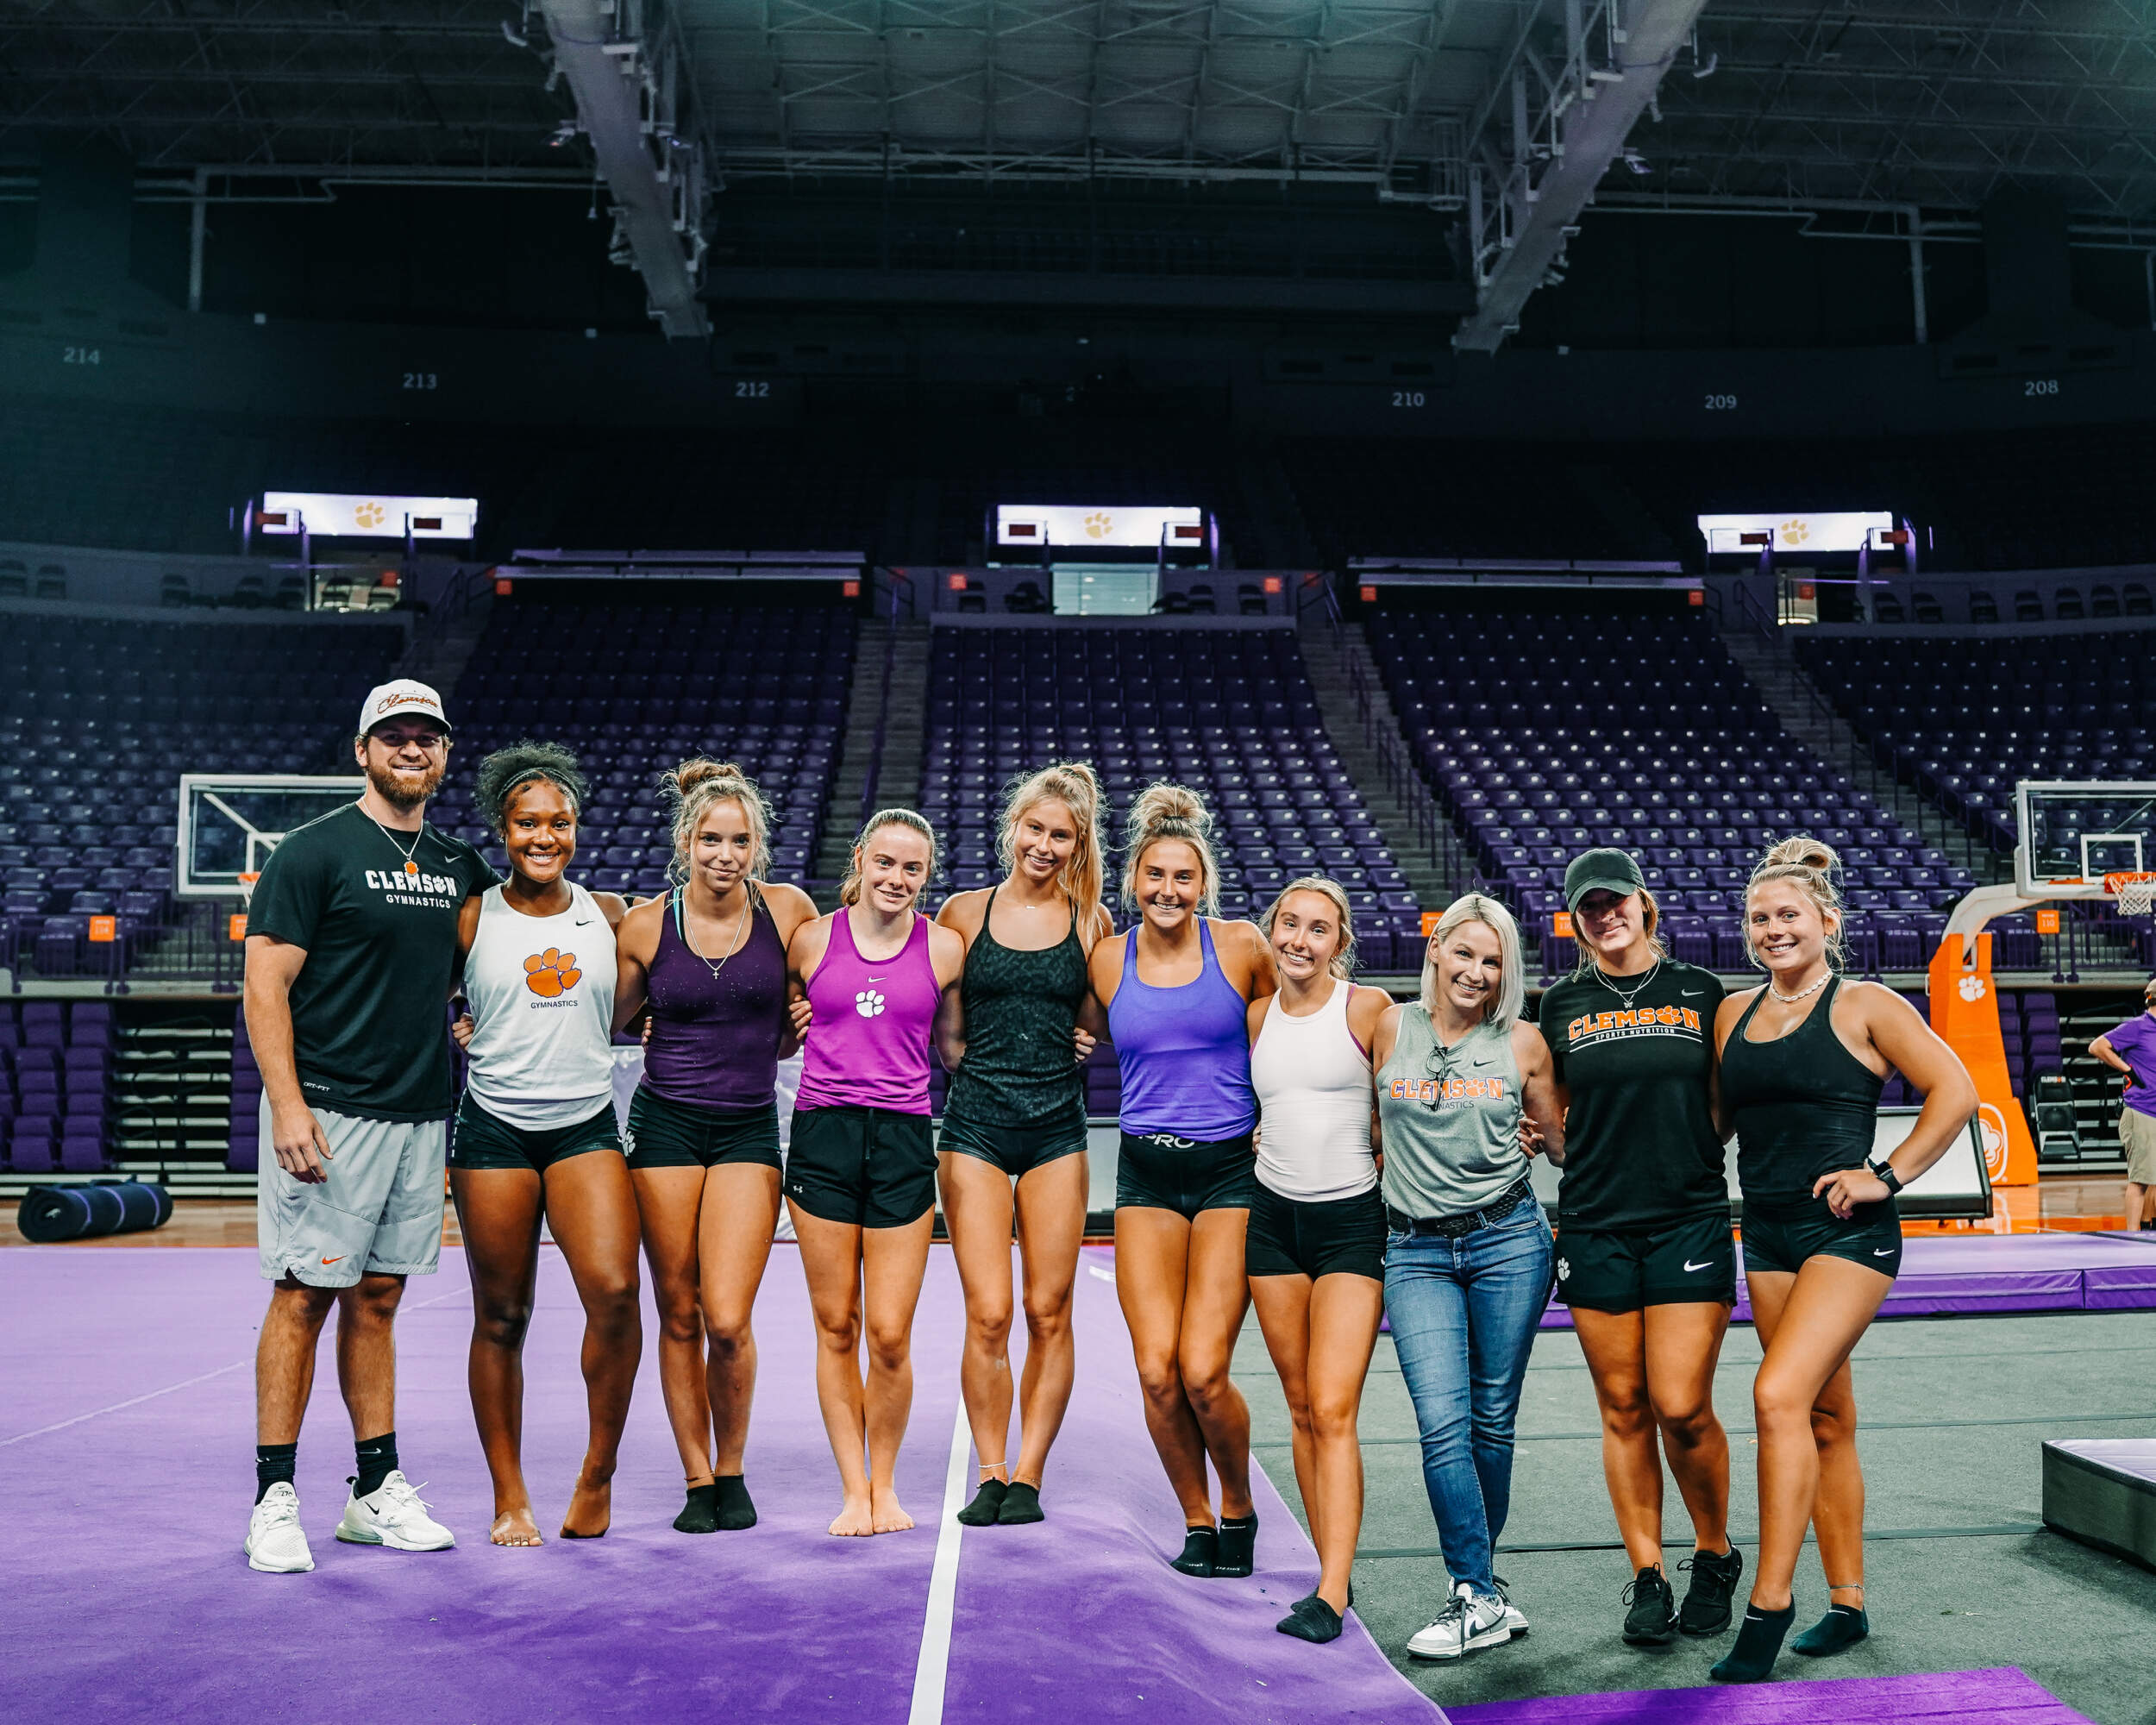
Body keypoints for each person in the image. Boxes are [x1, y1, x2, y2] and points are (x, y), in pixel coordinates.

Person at [241, 679, 496, 1574]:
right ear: (363, 750)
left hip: (420, 1110)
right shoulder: (313, 852)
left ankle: (373, 1491)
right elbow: (265, 985)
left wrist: (472, 1012)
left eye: (427, 736)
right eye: (395, 736)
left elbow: (492, 963)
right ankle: (274, 1498)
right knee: (302, 1294)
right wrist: (287, 1103)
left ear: (445, 752)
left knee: (380, 1299)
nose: (411, 749)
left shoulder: (460, 865)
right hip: (329, 1110)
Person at [1710, 837, 1977, 1683]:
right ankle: (1849, 1601)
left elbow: (1956, 1090)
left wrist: (1886, 1175)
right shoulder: (1732, 1014)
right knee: (1824, 1415)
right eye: (1759, 917)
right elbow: (1709, 1126)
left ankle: (1770, 1603)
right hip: (1769, 1233)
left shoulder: (1866, 1003)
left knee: (1775, 1395)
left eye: (1789, 914)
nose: (1773, 929)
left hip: (1848, 1233)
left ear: (1827, 921)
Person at [1537, 848, 1743, 1645]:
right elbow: (1556, 1118)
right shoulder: (1562, 1003)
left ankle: (1715, 1553)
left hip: (1687, 1216)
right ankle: (1649, 1573)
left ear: (1643, 903)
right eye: (1589, 907)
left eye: (1615, 900)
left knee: (1681, 1405)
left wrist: (1681, 1153)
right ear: (1575, 921)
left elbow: (1723, 1104)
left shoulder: (1702, 991)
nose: (1605, 915)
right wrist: (1549, 1142)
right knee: (1624, 1407)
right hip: (1596, 1220)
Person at [613, 760, 819, 1534]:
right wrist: (473, 1020)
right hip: (665, 1125)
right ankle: (698, 1478)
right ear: (685, 842)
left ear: (756, 846)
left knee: (727, 1318)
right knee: (679, 1312)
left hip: (746, 1126)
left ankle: (733, 1467)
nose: (725, 855)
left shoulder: (788, 910)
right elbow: (609, 1018)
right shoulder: (645, 925)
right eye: (710, 840)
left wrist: (803, 1018)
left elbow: (819, 995)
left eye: (739, 841)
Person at [445, 742, 641, 1546]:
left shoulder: (611, 914)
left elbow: (653, 994)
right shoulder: (471, 917)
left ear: (577, 827)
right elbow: (415, 994)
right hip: (494, 1129)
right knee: (502, 1315)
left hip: (584, 1125)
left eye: (559, 822)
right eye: (528, 822)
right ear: (503, 829)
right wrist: (461, 1024)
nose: (544, 837)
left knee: (616, 1293)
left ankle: (598, 1473)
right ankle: (511, 1496)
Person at [1090, 783, 1277, 1579]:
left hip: (1230, 1172)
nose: (1167, 890)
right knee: (1156, 1372)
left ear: (1204, 884)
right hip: (1146, 1174)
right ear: (1133, 880)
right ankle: (1197, 1519)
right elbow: (1075, 1029)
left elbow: (1294, 1029)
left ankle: (1239, 1504)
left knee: (1203, 1370)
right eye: (1154, 876)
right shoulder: (1107, 959)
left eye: (1183, 877)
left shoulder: (1241, 948)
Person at [1378, 894, 1564, 1662]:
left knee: (1491, 1419)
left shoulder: (1522, 1042)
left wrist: (1547, 1136)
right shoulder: (1386, 1025)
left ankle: (1476, 1593)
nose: (1477, 972)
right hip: (1414, 1249)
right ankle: (1480, 1593)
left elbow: (1562, 1144)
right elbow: (1359, 1116)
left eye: (1493, 961)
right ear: (1436, 949)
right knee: (1442, 1421)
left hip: (1509, 1242)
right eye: (1465, 953)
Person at [935, 764, 1112, 1528]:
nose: (1044, 844)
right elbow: (946, 1037)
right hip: (975, 1125)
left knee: (1048, 1309)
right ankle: (991, 1469)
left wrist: (1084, 1038)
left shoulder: (1091, 922)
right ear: (1013, 827)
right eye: (1034, 828)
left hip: (1055, 1130)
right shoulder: (962, 912)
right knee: (989, 1312)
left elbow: (1096, 1018)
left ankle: (1029, 1473)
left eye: (1060, 835)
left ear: (1079, 845)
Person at [786, 808, 965, 1535]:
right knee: (837, 1325)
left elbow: (955, 1050)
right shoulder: (810, 940)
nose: (896, 878)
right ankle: (853, 1488)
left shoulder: (945, 949)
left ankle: (885, 1486)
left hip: (902, 1140)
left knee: (889, 1333)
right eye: (885, 862)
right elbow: (772, 1030)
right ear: (860, 859)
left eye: (912, 868)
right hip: (822, 1136)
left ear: (927, 875)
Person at [1244, 877, 1389, 1643]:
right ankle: (1329, 1566)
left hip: (1350, 1224)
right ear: (1272, 930)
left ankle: (1331, 1593)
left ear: (1341, 941)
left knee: (1333, 1408)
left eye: (1318, 928)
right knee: (1301, 1407)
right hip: (1273, 1224)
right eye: (1289, 924)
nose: (1300, 940)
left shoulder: (1367, 1010)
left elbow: (1406, 1101)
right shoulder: (1257, 1016)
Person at [2087, 977, 2156, 1234]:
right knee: (2140, 1179)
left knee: (2154, 1179)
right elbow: (2097, 1046)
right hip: (2142, 1111)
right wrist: (2128, 1070)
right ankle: (2132, 1235)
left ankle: (2149, 1228)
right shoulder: (2138, 1027)